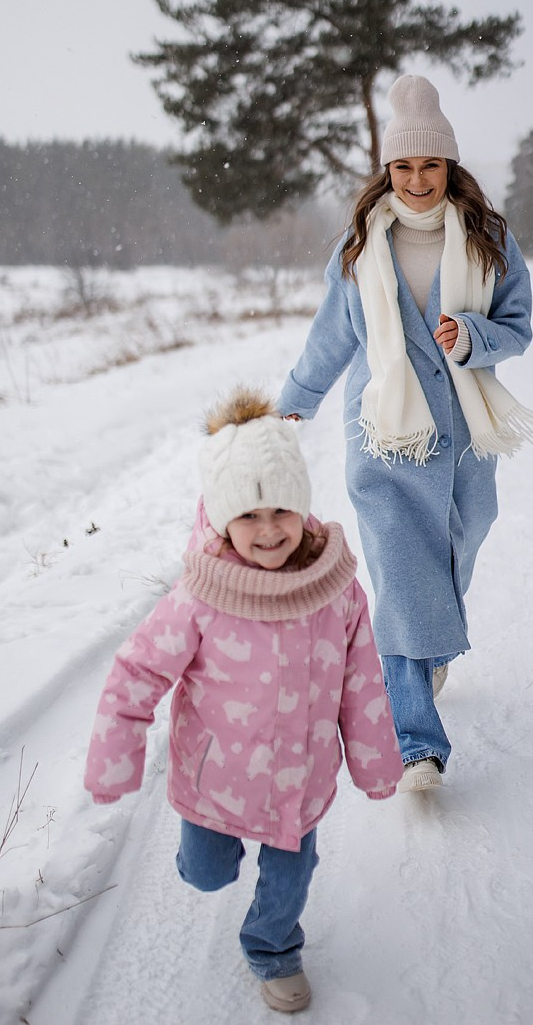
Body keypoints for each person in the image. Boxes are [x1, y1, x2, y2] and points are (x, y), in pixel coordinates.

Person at [84, 389, 403, 1015]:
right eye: (248, 515)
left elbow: (362, 682)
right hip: (214, 781)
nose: (267, 530)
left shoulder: (334, 589)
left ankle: (274, 950)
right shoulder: (201, 595)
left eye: (282, 509)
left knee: (289, 879)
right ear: (223, 518)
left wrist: (376, 764)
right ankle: (203, 854)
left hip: (298, 782)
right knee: (207, 873)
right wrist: (113, 758)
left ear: (303, 507)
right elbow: (138, 672)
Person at [277, 75, 533, 795]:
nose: (417, 180)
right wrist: (294, 402)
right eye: (403, 167)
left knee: (461, 541)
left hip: (462, 432)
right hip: (385, 434)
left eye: (430, 165)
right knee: (399, 575)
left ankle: (427, 649)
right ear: (386, 171)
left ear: (449, 167)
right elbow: (332, 337)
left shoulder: (490, 240)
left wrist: (474, 336)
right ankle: (416, 745)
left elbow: (517, 328)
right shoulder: (359, 245)